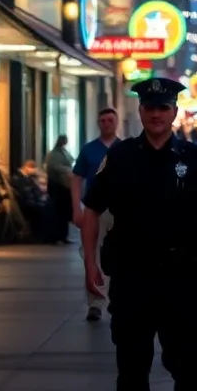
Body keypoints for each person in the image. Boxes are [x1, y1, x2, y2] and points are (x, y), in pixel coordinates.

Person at [82, 77, 197, 390]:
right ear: (140, 111)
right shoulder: (120, 158)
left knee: (190, 369)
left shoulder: (194, 158)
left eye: (163, 107)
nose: (156, 114)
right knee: (132, 370)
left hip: (180, 281)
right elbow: (91, 210)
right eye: (150, 107)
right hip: (131, 279)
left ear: (174, 111)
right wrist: (90, 266)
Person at [72, 107, 121, 321]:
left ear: (116, 123)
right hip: (94, 210)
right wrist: (76, 208)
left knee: (122, 257)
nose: (106, 124)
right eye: (102, 120)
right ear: (98, 123)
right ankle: (96, 303)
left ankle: (119, 299)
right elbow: (76, 178)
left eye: (110, 120)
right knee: (91, 256)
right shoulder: (89, 150)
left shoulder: (125, 149)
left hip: (120, 210)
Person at [12, 160, 57, 241]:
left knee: (51, 207)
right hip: (26, 204)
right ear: (27, 168)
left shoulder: (27, 177)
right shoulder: (18, 177)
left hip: (30, 201)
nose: (34, 172)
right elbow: (24, 191)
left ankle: (48, 235)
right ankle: (42, 235)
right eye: (33, 169)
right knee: (44, 209)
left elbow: (34, 190)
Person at [45, 135, 74, 243]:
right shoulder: (53, 154)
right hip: (57, 185)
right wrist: (67, 170)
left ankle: (63, 235)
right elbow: (54, 166)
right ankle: (55, 236)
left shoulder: (64, 151)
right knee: (57, 211)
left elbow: (71, 159)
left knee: (65, 211)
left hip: (65, 185)